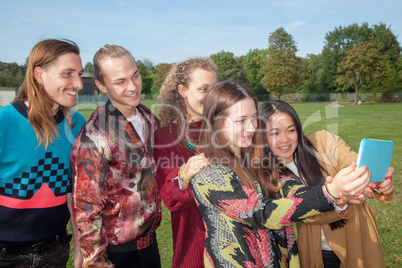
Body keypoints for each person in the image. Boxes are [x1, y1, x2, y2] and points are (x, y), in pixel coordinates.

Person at [190, 81, 371, 267]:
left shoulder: (256, 162)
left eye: (254, 118)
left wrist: (337, 195)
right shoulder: (209, 175)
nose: (252, 127)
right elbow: (263, 213)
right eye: (241, 120)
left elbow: (289, 189)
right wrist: (328, 193)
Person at [260, 100, 395, 268]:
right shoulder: (268, 176)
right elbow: (302, 210)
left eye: (291, 130)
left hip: (357, 237)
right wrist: (338, 198)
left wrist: (379, 182)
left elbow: (354, 163)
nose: (285, 139)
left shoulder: (323, 141)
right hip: (316, 249)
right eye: (274, 133)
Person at [71, 44, 161, 267]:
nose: (133, 87)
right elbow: (86, 209)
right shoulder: (94, 136)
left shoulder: (148, 117)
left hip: (151, 245)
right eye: (120, 81)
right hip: (118, 253)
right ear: (101, 85)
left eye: (135, 75)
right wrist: (96, 260)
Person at [0, 39, 86, 268]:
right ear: (39, 74)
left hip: (56, 252)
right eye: (68, 73)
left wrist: (80, 249)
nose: (78, 83)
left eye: (79, 73)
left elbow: (75, 195)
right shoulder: (4, 122)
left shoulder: (77, 125)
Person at [154, 57, 217, 267]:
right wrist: (185, 176)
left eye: (215, 89)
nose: (212, 96)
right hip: (193, 250)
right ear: (183, 90)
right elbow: (171, 198)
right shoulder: (165, 137)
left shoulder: (225, 130)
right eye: (204, 89)